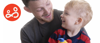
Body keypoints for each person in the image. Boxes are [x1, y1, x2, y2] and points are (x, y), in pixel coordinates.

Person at [21, 0, 87, 43]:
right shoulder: (26, 32)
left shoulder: (70, 18)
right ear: (28, 10)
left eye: (48, 3)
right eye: (39, 9)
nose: (47, 11)